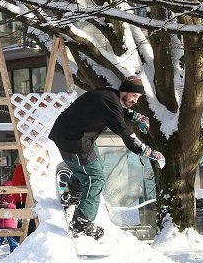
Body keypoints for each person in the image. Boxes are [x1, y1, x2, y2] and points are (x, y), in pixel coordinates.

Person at [49, 75, 164, 239]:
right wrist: (147, 151)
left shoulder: (109, 95)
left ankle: (71, 193)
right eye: (134, 96)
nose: (136, 101)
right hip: (73, 141)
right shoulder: (109, 101)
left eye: (138, 98)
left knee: (95, 170)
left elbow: (119, 109)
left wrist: (136, 117)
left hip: (78, 135)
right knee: (95, 179)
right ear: (124, 91)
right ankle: (81, 224)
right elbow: (124, 131)